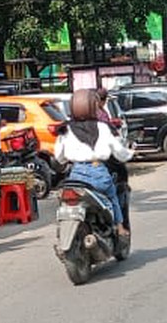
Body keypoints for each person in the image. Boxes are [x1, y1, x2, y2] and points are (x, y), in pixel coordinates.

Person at [54, 89, 133, 235]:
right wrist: (130, 153)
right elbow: (120, 153)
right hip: (98, 173)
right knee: (112, 196)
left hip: (76, 176)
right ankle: (120, 227)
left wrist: (67, 158)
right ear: (92, 107)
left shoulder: (65, 129)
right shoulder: (103, 127)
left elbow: (59, 157)